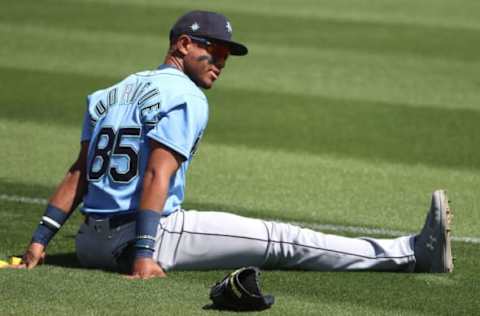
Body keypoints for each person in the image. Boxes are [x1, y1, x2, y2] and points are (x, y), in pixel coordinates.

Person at [16, 10, 453, 279]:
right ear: (183, 45)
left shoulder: (108, 93)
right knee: (283, 240)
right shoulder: (186, 95)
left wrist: (39, 241)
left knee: (277, 239)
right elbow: (156, 173)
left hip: (88, 245)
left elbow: (79, 171)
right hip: (143, 237)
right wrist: (145, 254)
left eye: (226, 56)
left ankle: (409, 251)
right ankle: (412, 253)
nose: (221, 64)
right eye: (214, 52)